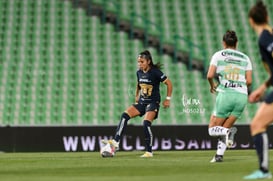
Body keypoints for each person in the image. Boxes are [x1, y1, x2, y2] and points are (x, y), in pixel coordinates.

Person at [102, 50, 173, 158]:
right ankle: (116, 142)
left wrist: (168, 99)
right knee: (124, 115)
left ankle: (149, 152)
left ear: (148, 61)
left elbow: (169, 83)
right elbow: (139, 84)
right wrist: (137, 96)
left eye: (142, 61)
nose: (139, 64)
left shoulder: (155, 72)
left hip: (153, 103)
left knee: (145, 124)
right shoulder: (139, 72)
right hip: (142, 102)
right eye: (138, 62)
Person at [207, 30, 253, 163]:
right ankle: (218, 156)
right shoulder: (245, 58)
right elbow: (249, 81)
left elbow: (210, 75)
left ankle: (229, 132)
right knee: (223, 129)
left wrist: (212, 85)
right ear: (236, 43)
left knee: (212, 129)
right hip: (242, 97)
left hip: (226, 95)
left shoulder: (218, 55)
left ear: (223, 42)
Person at [244, 1, 273, 179]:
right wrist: (264, 87)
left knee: (257, 124)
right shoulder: (269, 33)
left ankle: (263, 171)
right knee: (257, 124)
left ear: (250, 21)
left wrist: (262, 87)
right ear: (267, 17)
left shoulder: (265, 37)